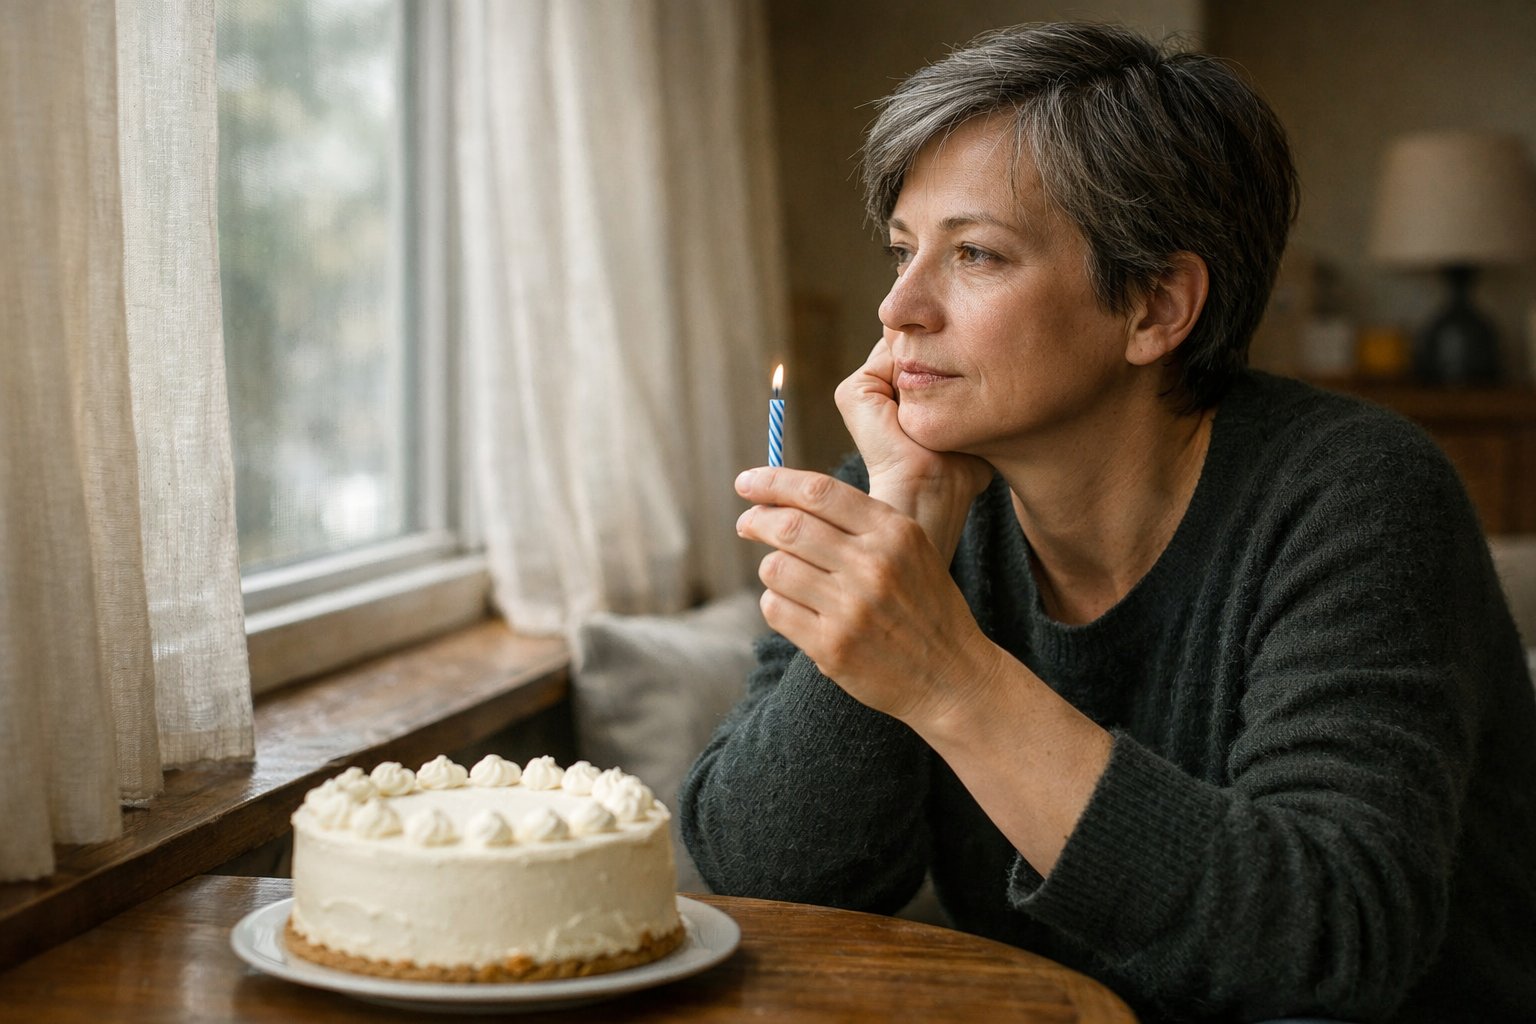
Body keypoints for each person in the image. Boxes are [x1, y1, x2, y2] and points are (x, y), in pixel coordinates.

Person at [678, 21, 1536, 1024]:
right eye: (904, 252)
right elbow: (770, 883)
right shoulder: (904, 486)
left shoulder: (1357, 493)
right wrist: (909, 524)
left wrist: (948, 672)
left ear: (1155, 308)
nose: (899, 307)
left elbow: (1331, 938)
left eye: (977, 255)